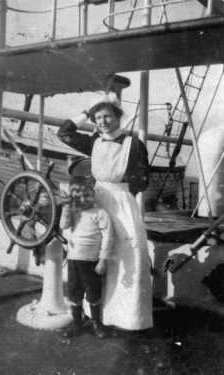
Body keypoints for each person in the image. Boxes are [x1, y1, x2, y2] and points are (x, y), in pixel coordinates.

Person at [57, 92, 153, 331]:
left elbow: (143, 181)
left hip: (122, 203)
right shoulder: (94, 142)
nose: (102, 122)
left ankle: (126, 318)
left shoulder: (134, 144)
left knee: (132, 254)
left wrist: (121, 192)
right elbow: (65, 133)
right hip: (95, 203)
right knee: (90, 258)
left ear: (118, 117)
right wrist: (84, 114)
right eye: (97, 117)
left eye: (107, 116)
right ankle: (95, 315)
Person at [60, 176, 113, 339]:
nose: (83, 200)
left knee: (93, 294)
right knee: (74, 294)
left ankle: (96, 323)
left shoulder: (100, 213)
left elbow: (108, 237)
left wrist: (103, 259)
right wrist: (67, 207)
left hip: (92, 263)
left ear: (93, 193)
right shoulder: (75, 212)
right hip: (74, 260)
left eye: (87, 195)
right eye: (79, 197)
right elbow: (63, 225)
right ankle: (77, 324)